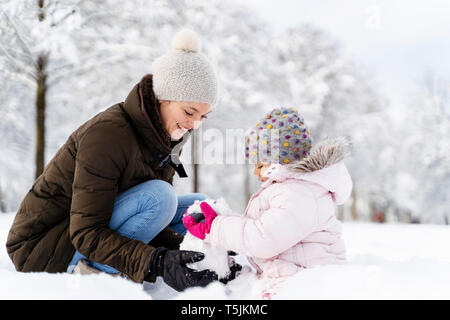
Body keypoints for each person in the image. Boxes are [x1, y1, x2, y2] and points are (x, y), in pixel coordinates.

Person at [6, 29, 222, 292]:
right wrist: (158, 262)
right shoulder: (108, 134)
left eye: (203, 117)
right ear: (163, 97)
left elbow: (153, 221)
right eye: (190, 112)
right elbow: (87, 232)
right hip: (45, 249)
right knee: (160, 198)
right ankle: (91, 274)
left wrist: (186, 255)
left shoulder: (165, 138)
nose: (195, 125)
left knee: (196, 208)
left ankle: (213, 256)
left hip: (88, 230)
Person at [183, 107, 353, 298]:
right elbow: (264, 227)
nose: (256, 172)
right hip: (288, 274)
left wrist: (215, 228)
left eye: (260, 165)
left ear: (281, 161)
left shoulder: (301, 193)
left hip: (311, 283)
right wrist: (222, 219)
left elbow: (264, 239)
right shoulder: (290, 188)